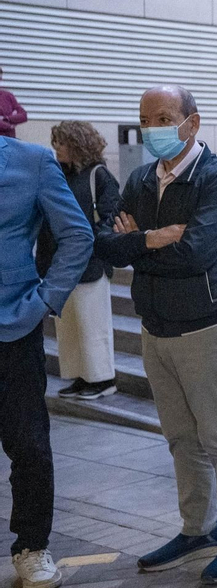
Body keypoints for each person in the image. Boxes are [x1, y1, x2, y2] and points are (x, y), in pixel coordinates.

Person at [98, 85, 217, 585]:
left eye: (164, 117)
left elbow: (196, 254)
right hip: (157, 325)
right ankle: (198, 528)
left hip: (208, 322)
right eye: (145, 119)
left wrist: (137, 241)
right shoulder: (143, 178)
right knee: (180, 437)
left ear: (192, 122)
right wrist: (153, 237)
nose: (153, 128)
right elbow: (107, 244)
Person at [1, 128, 92, 588]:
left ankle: (31, 547)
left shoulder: (31, 161)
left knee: (29, 444)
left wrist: (45, 300)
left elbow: (77, 234)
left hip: (13, 326)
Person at [41, 121, 122, 401]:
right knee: (69, 326)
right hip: (62, 263)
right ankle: (80, 375)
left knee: (92, 324)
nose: (57, 149)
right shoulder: (59, 175)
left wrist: (97, 245)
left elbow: (112, 216)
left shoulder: (98, 175)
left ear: (77, 144)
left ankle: (102, 378)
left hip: (91, 261)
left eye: (62, 143)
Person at [0, 63, 27, 138]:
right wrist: (10, 126)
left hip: (10, 142)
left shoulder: (8, 96)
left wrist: (6, 119)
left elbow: (23, 115)